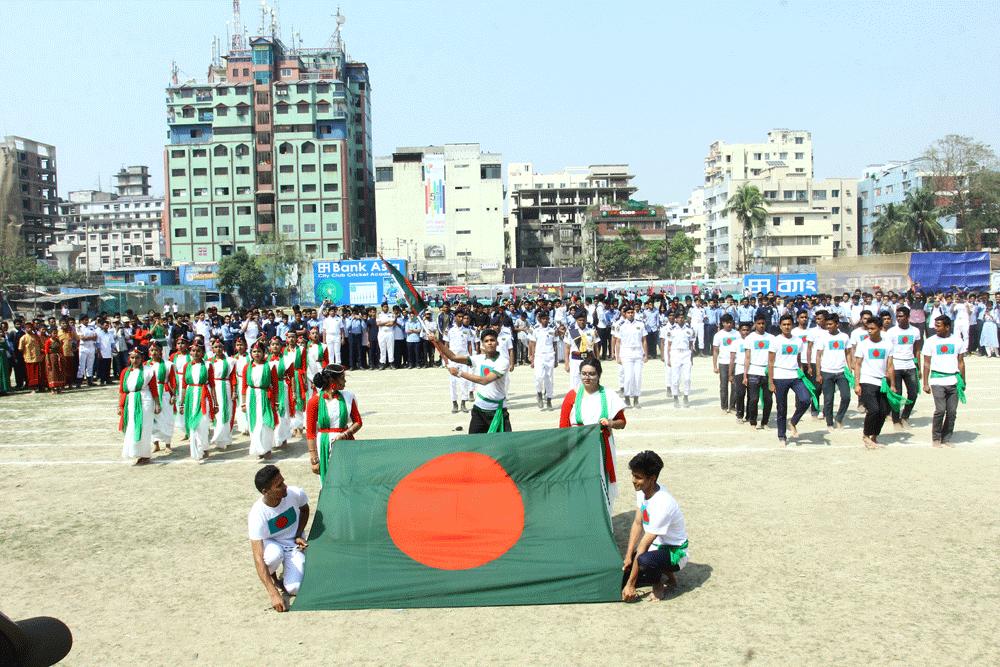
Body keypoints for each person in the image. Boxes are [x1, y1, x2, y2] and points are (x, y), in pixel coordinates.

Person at [558, 358, 627, 516]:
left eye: (591, 374)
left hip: (601, 446)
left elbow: (622, 422)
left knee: (602, 483)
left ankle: (604, 521)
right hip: (578, 447)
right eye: (584, 374)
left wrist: (610, 422)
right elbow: (563, 426)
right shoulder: (571, 396)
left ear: (599, 375)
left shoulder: (609, 395)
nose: (587, 378)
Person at [621, 451, 688, 602]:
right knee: (629, 566)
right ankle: (668, 578)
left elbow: (644, 545)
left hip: (675, 552)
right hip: (658, 547)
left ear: (652, 479)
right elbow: (638, 523)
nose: (633, 480)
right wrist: (628, 557)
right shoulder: (643, 490)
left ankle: (658, 586)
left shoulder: (662, 503)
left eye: (638, 477)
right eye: (633, 475)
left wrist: (631, 585)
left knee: (644, 561)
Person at [248, 466, 309, 612]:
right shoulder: (257, 514)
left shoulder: (295, 493)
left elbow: (305, 509)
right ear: (266, 491)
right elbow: (257, 557)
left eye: (283, 481)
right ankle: (273, 578)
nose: (285, 486)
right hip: (272, 545)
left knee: (294, 588)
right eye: (279, 485)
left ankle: (283, 577)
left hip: (292, 544)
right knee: (272, 556)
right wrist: (274, 595)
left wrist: (299, 534)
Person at [436, 328, 512, 433]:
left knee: (504, 444)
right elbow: (453, 357)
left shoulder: (503, 361)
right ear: (482, 344)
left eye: (492, 340)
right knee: (473, 443)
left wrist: (459, 373)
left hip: (497, 410)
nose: (490, 343)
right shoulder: (479, 358)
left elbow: (485, 380)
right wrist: (437, 341)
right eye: (486, 341)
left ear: (497, 343)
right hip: (479, 409)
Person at [306, 364, 362, 481]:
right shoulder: (314, 402)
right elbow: (311, 433)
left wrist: (345, 434)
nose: (345, 381)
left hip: (346, 443)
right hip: (324, 444)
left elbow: (358, 422)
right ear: (332, 381)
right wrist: (314, 459)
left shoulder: (348, 397)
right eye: (342, 378)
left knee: (349, 479)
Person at [768, 313, 813, 448]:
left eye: (789, 324)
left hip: (794, 376)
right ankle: (782, 436)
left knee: (806, 399)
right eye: (784, 325)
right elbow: (770, 362)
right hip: (779, 376)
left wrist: (802, 374)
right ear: (780, 325)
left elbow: (798, 360)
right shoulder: (776, 340)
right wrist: (771, 382)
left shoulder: (798, 341)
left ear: (792, 325)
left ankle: (793, 421)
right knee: (781, 409)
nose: (787, 327)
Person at [922, 315, 965, 448]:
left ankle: (946, 437)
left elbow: (961, 362)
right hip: (937, 380)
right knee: (940, 410)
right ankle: (936, 438)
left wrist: (963, 381)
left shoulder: (957, 341)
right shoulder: (930, 341)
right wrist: (925, 383)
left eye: (938, 326)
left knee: (952, 412)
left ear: (947, 327)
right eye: (935, 325)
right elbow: (927, 363)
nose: (935, 328)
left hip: (953, 380)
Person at [853, 319, 895, 450]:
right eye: (868, 329)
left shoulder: (888, 344)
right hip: (867, 380)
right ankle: (866, 435)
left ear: (880, 328)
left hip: (882, 381)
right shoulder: (863, 344)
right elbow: (858, 364)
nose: (870, 331)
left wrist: (892, 384)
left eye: (873, 328)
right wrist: (857, 384)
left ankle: (875, 436)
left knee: (883, 411)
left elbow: (890, 365)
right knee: (874, 409)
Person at [117, 348, 161, 465]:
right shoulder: (125, 372)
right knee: (133, 425)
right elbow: (122, 390)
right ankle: (136, 452)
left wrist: (157, 404)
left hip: (145, 399)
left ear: (142, 358)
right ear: (129, 359)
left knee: (145, 426)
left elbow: (154, 389)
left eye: (137, 358)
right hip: (131, 399)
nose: (135, 360)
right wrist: (119, 406)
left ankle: (145, 454)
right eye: (132, 358)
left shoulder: (148, 371)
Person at [179, 340, 217, 460]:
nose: (195, 353)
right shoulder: (187, 366)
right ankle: (196, 451)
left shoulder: (207, 365)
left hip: (203, 396)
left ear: (202, 352)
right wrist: (181, 403)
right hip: (191, 396)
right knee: (193, 425)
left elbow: (212, 385)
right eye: (193, 351)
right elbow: (184, 385)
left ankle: (204, 448)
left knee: (202, 423)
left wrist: (216, 403)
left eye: (198, 351)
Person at [242, 342, 279, 459]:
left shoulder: (270, 366)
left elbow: (275, 386)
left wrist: (276, 402)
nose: (256, 353)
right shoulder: (247, 367)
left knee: (265, 422)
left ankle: (266, 448)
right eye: (254, 351)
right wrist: (243, 403)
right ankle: (258, 449)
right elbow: (244, 386)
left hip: (265, 396)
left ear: (264, 353)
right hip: (252, 396)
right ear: (251, 353)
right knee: (255, 422)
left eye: (259, 351)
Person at [887, 306, 922, 430]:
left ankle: (905, 417)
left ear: (908, 317)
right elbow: (888, 351)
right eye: (897, 316)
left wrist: (919, 367)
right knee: (897, 393)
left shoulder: (915, 331)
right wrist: (888, 368)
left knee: (913, 392)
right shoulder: (891, 332)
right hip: (896, 365)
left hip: (910, 365)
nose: (899, 319)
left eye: (901, 316)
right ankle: (896, 420)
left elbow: (917, 349)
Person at [814, 316, 851, 432]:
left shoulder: (844, 337)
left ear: (837, 324)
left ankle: (839, 418)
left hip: (841, 372)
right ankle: (829, 422)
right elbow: (818, 355)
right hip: (827, 372)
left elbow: (848, 354)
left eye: (831, 324)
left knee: (846, 396)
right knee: (828, 399)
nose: (828, 326)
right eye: (827, 324)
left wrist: (849, 370)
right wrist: (818, 373)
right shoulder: (823, 337)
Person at [743, 315, 773, 430]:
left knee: (768, 399)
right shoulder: (750, 338)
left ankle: (765, 422)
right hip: (754, 371)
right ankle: (753, 422)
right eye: (759, 323)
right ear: (755, 324)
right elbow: (747, 357)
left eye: (763, 323)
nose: (761, 326)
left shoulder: (771, 338)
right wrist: (745, 375)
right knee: (753, 399)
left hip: (766, 371)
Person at [615, 305, 648, 408]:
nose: (630, 314)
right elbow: (618, 342)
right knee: (628, 377)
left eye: (632, 312)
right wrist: (618, 357)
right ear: (624, 314)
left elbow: (644, 340)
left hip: (638, 353)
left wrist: (646, 355)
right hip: (626, 353)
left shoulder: (640, 324)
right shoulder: (620, 325)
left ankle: (636, 399)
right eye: (628, 313)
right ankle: (627, 398)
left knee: (637, 377)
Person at [146, 342, 176, 451]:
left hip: (164, 392)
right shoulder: (146, 365)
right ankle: (156, 443)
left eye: (156, 350)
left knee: (167, 418)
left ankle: (168, 444)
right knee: (153, 419)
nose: (154, 352)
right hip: (151, 393)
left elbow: (173, 382)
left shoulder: (168, 365)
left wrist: (174, 396)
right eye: (152, 350)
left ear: (160, 352)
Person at [209, 339, 237, 451]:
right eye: (216, 347)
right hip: (213, 387)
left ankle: (226, 438)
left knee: (226, 412)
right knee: (217, 414)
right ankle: (219, 439)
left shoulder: (230, 361)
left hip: (225, 386)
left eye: (220, 347)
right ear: (213, 349)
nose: (218, 349)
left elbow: (233, 378)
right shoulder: (209, 362)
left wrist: (234, 392)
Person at [530, 309, 559, 410]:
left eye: (547, 318)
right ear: (540, 319)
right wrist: (532, 358)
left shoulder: (553, 329)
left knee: (549, 378)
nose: (545, 320)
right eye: (543, 319)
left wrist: (556, 359)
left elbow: (555, 344)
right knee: (538, 377)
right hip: (539, 355)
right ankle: (539, 393)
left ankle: (549, 400)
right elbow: (533, 344)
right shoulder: (535, 328)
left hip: (550, 355)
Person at [666, 314, 695, 407]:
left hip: (686, 353)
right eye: (679, 318)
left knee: (687, 378)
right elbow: (669, 345)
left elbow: (691, 345)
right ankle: (675, 397)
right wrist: (669, 359)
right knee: (676, 378)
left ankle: (686, 396)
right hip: (675, 353)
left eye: (682, 317)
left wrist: (691, 358)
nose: (681, 319)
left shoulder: (689, 330)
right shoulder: (671, 330)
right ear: (676, 319)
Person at [712, 314, 737, 413]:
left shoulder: (737, 334)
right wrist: (715, 366)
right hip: (723, 362)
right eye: (727, 323)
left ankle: (732, 407)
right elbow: (715, 351)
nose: (729, 324)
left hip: (735, 363)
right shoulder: (718, 335)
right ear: (723, 323)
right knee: (723, 386)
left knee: (735, 386)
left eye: (731, 322)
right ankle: (724, 407)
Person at [18, 322, 44, 393]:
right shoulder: (23, 338)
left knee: (38, 373)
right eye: (28, 328)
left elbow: (42, 345)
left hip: (37, 357)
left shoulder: (36, 336)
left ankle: (40, 387)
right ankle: (33, 388)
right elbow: (20, 348)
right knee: (31, 374)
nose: (30, 329)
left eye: (31, 327)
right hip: (29, 358)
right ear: (25, 329)